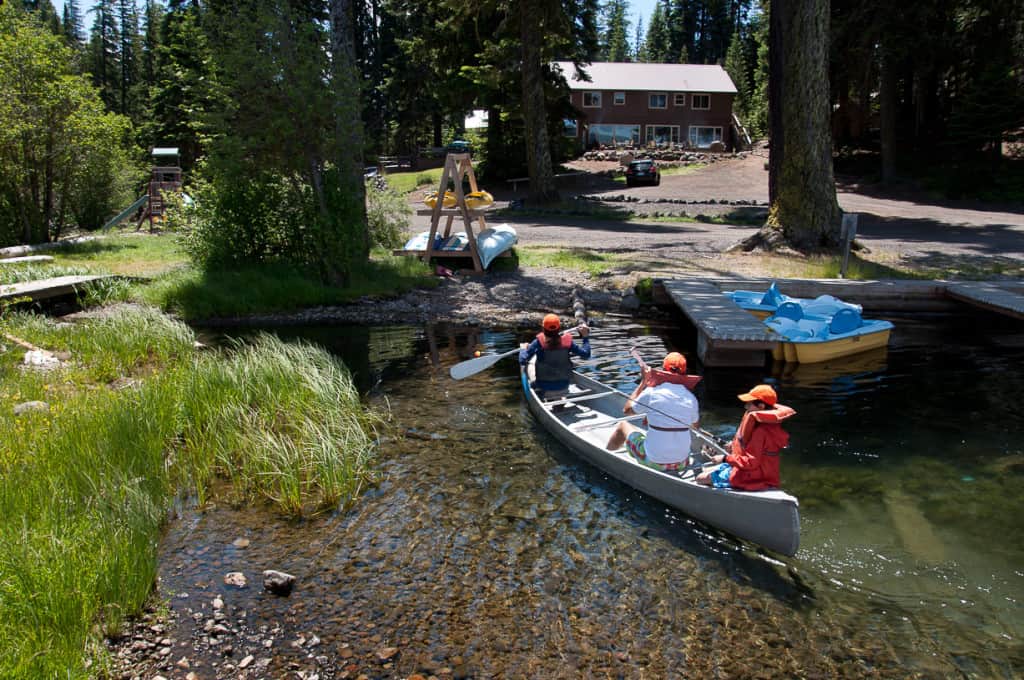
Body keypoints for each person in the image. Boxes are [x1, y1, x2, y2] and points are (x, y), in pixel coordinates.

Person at [605, 352, 699, 472]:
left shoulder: (652, 392)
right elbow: (694, 427)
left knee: (624, 425)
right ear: (684, 372)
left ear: (663, 369)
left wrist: (643, 382)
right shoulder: (691, 398)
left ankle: (606, 457)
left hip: (653, 460)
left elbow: (627, 410)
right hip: (682, 462)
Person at [696, 384, 796, 490]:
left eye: (749, 404)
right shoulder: (768, 425)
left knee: (700, 478)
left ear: (761, 406)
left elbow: (751, 462)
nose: (746, 407)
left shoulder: (760, 432)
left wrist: (724, 458)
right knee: (706, 470)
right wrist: (733, 446)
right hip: (760, 472)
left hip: (751, 476)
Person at [519, 313, 590, 398]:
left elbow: (522, 360)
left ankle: (540, 394)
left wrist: (523, 349)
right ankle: (559, 400)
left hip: (543, 388)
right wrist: (585, 336)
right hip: (564, 386)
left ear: (543, 328)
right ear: (559, 328)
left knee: (528, 366)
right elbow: (586, 355)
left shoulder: (538, 342)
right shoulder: (568, 342)